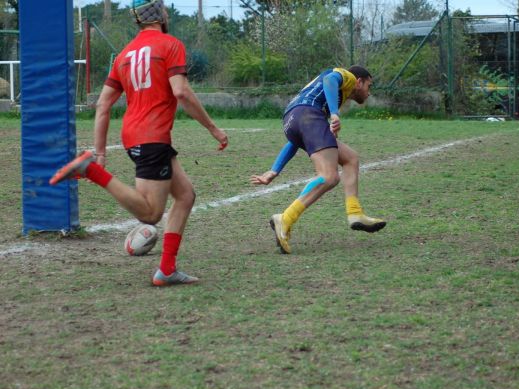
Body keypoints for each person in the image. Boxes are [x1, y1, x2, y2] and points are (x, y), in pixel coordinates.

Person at [50, 0, 228, 286]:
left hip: (137, 135)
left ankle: (166, 269)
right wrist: (213, 128)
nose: (168, 12)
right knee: (151, 213)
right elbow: (181, 92)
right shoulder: (170, 45)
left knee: (185, 196)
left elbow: (103, 105)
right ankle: (90, 171)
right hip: (152, 137)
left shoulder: (123, 55)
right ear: (158, 14)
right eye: (165, 8)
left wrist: (101, 151)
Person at [251, 66, 386, 254]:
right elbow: (330, 80)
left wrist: (275, 169)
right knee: (329, 176)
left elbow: (297, 138)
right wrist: (334, 113)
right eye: (368, 86)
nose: (369, 92)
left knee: (350, 159)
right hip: (309, 116)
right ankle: (285, 218)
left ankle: (355, 212)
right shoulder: (346, 76)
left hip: (292, 120)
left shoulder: (316, 99)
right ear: (359, 82)